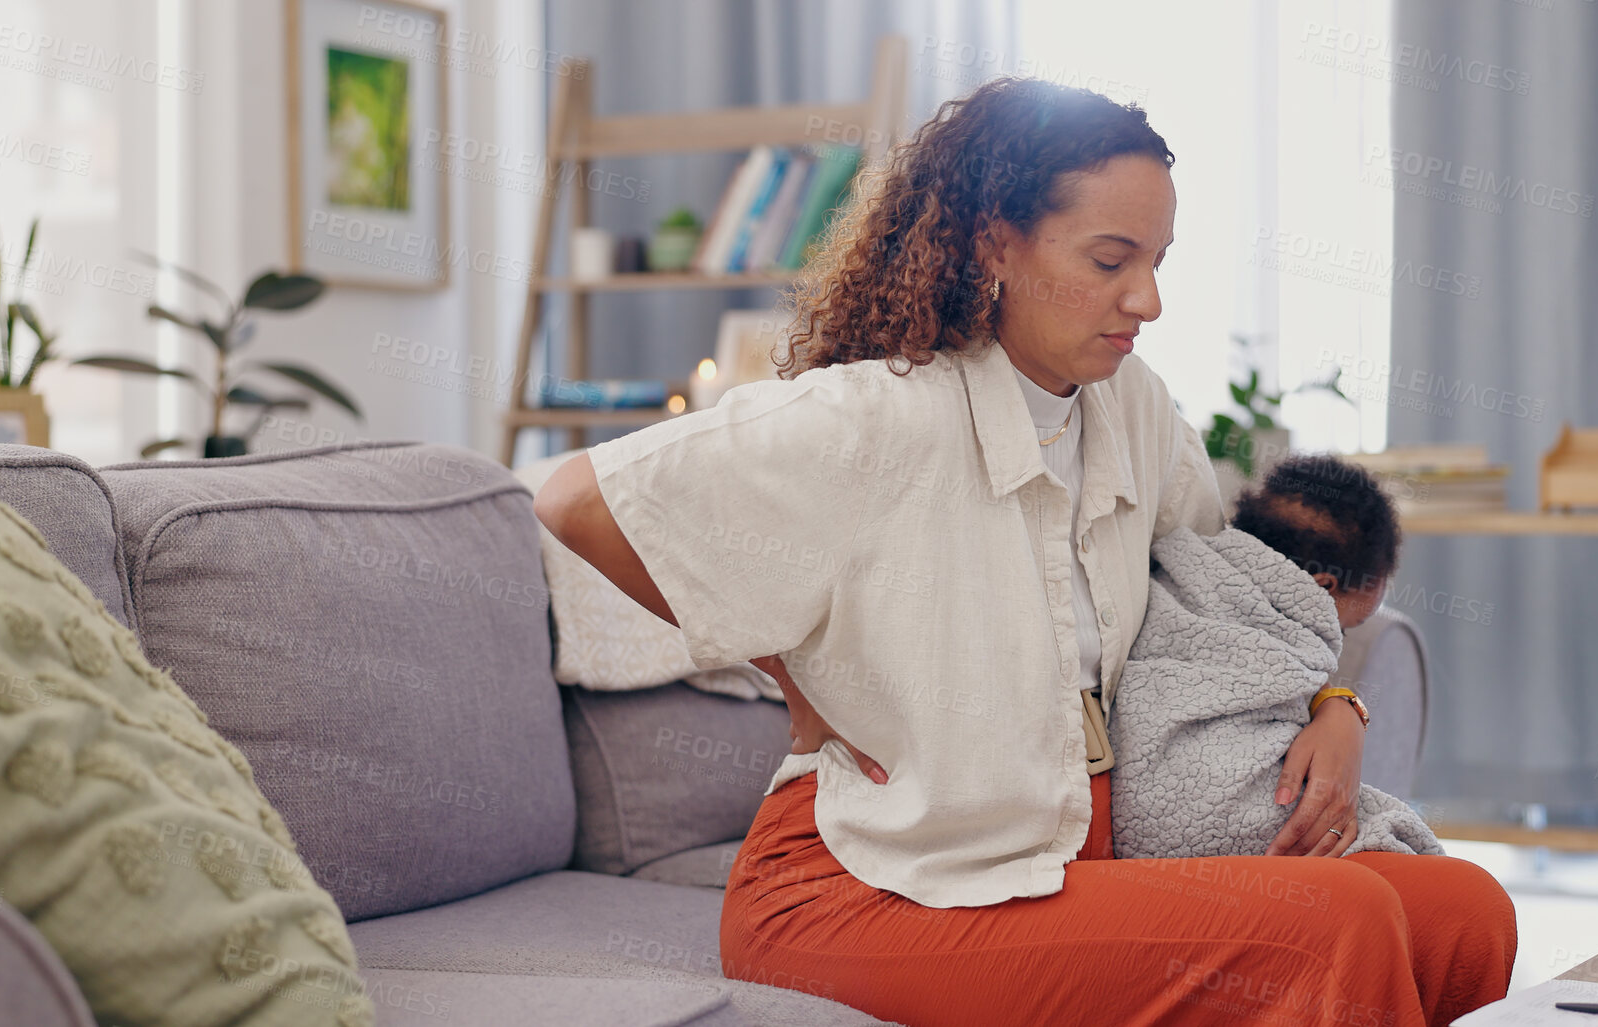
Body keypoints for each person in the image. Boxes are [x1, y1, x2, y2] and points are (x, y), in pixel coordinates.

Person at [534, 76, 1516, 1027]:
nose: (1148, 299)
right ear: (995, 243)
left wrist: (1336, 705)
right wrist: (792, 673)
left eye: (1159, 261)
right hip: (868, 883)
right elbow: (576, 498)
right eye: (1110, 260)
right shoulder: (873, 416)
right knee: (1327, 927)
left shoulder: (1132, 408)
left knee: (1462, 908)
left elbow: (1229, 597)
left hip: (1067, 848)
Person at [1110, 455, 1444, 862]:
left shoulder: (1185, 571)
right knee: (1408, 841)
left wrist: (1340, 706)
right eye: (1343, 626)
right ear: (1321, 588)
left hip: (1131, 798)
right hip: (1205, 814)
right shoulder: (1281, 624)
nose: (1335, 641)